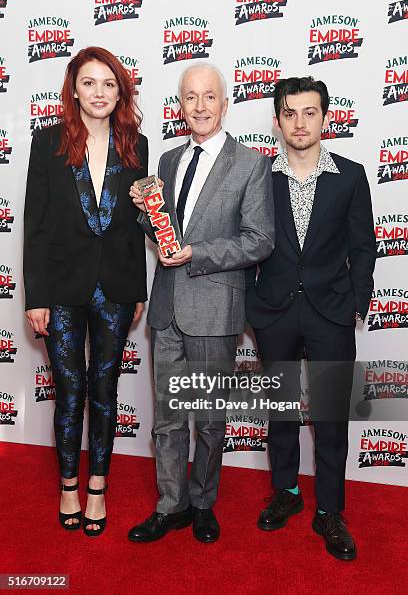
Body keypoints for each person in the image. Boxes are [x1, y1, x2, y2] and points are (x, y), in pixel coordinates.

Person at [127, 62, 274, 543]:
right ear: (181, 105)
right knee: (168, 420)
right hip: (167, 308)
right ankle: (172, 506)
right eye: (191, 97)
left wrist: (199, 254)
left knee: (210, 421)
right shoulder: (167, 161)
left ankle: (204, 501)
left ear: (224, 103)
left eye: (209, 96)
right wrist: (146, 213)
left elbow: (259, 240)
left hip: (215, 310)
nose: (200, 106)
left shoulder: (250, 164)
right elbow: (164, 234)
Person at [246, 76, 376, 560]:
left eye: (309, 112)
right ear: (277, 119)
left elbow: (364, 246)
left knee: (330, 417)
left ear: (325, 116)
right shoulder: (259, 176)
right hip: (274, 311)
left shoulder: (352, 175)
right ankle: (286, 492)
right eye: (290, 113)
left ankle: (330, 511)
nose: (299, 122)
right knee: (279, 411)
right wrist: (251, 306)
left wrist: (357, 302)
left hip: (332, 313)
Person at [23, 46, 148, 536]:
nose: (99, 93)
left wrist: (137, 288)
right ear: (73, 88)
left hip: (116, 288)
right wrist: (35, 297)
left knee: (104, 389)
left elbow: (142, 222)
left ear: (121, 92)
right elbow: (34, 226)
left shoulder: (134, 143)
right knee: (70, 392)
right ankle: (69, 485)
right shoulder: (48, 142)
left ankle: (99, 485)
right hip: (61, 289)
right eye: (90, 83)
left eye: (109, 84)